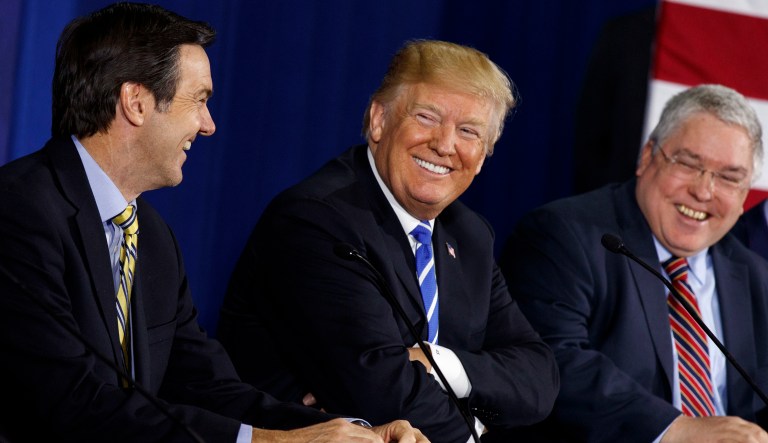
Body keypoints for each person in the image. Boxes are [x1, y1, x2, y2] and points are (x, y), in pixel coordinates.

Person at [0, 3, 428, 442]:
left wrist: (357, 435)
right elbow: (71, 402)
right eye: (200, 100)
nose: (209, 125)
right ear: (136, 102)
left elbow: (209, 388)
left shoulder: (152, 238)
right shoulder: (17, 213)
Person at [217, 39, 559, 443]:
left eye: (468, 131)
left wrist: (441, 365)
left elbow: (539, 378)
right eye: (427, 117)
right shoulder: (317, 220)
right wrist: (474, 425)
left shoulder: (469, 235)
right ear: (379, 120)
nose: (445, 145)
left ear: (483, 154)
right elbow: (383, 392)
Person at [500, 84, 768, 442]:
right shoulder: (564, 236)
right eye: (689, 164)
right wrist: (676, 430)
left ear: (744, 195)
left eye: (729, 178)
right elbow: (550, 362)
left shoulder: (754, 276)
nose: (704, 192)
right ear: (647, 157)